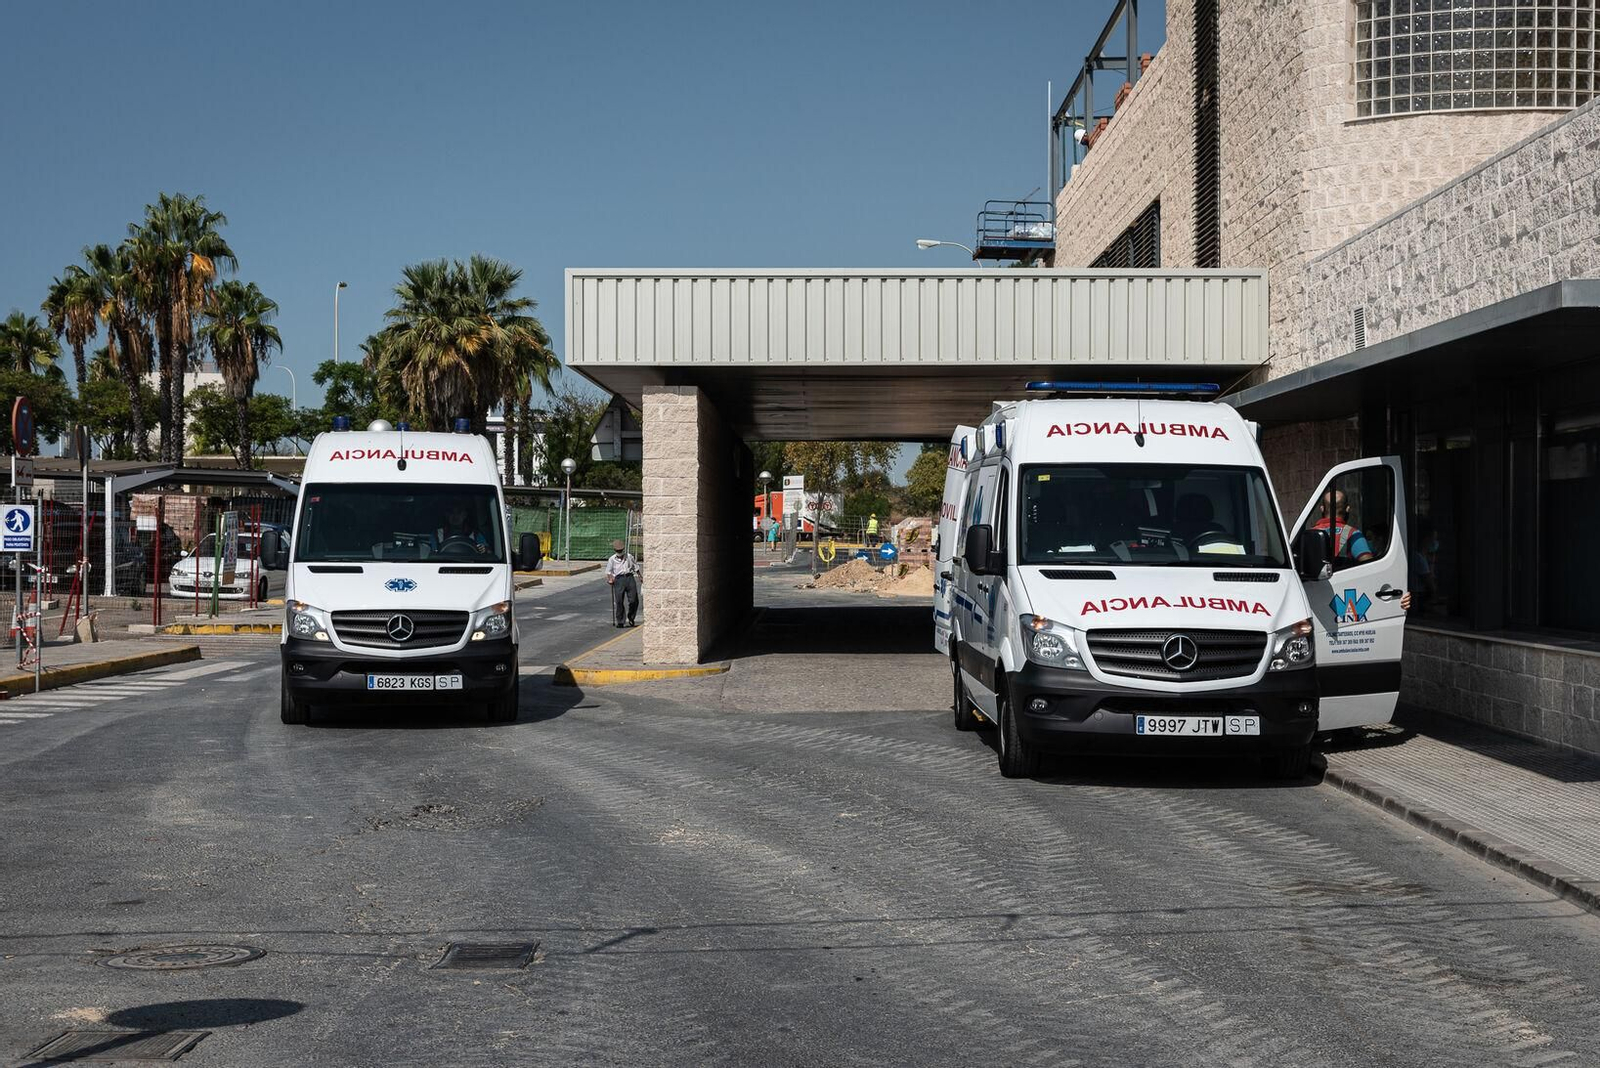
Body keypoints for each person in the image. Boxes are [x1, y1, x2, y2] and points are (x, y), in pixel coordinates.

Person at [1312, 488, 1373, 563]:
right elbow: (1369, 564)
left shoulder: (1309, 534)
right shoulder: (1353, 534)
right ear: (1347, 509)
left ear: (1322, 509)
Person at [604, 538, 640, 627]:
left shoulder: (629, 556)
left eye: (620, 550)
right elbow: (608, 572)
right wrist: (610, 579)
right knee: (619, 601)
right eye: (617, 550)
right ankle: (620, 621)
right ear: (615, 550)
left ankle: (631, 617)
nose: (619, 552)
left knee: (633, 600)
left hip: (629, 577)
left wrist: (640, 576)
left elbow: (636, 567)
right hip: (619, 579)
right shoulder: (612, 559)